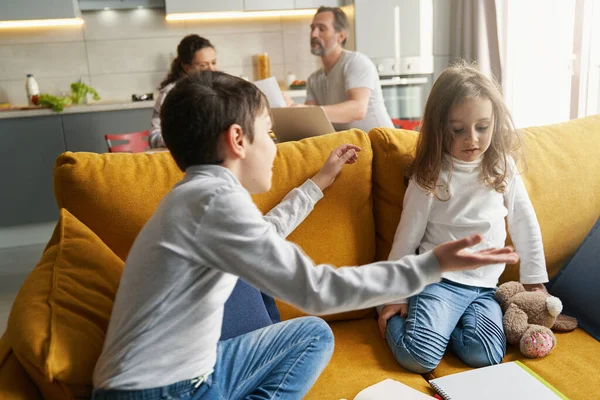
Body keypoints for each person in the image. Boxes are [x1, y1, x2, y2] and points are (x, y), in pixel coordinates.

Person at [91, 70, 520, 400]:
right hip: (162, 390)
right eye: (270, 133)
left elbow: (266, 233)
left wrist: (319, 182)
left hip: (176, 376)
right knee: (315, 324)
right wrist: (432, 265)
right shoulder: (213, 204)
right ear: (238, 139)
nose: (276, 147)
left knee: (311, 335)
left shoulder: (198, 196)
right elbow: (317, 290)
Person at [377, 62, 549, 374]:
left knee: (486, 356)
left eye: (482, 127)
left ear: (495, 122)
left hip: (484, 288)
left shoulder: (502, 166)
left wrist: (534, 282)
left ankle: (444, 329)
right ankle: (401, 317)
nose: (472, 139)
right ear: (440, 127)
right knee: (419, 358)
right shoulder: (429, 174)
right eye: (458, 130)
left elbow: (525, 223)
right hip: (436, 281)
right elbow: (407, 237)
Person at [300, 6, 394, 132]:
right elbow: (310, 118)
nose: (314, 34)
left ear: (341, 36)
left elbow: (358, 109)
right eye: (312, 28)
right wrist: (291, 108)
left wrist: (308, 111)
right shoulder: (313, 79)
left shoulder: (355, 62)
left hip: (382, 146)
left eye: (321, 29)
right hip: (352, 147)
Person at [149, 34, 218, 148]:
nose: (212, 69)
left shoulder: (220, 88)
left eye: (214, 63)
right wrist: (186, 139)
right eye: (203, 65)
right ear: (186, 68)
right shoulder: (171, 93)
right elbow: (154, 137)